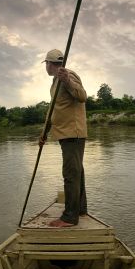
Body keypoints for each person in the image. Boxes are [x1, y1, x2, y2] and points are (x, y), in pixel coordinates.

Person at [39, 48, 88, 227]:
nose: (46, 67)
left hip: (72, 134)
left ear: (49, 64)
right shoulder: (53, 83)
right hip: (65, 134)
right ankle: (80, 209)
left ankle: (69, 217)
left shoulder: (68, 75)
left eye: (46, 64)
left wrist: (67, 80)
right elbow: (52, 110)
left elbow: (82, 96)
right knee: (77, 172)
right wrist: (43, 133)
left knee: (71, 174)